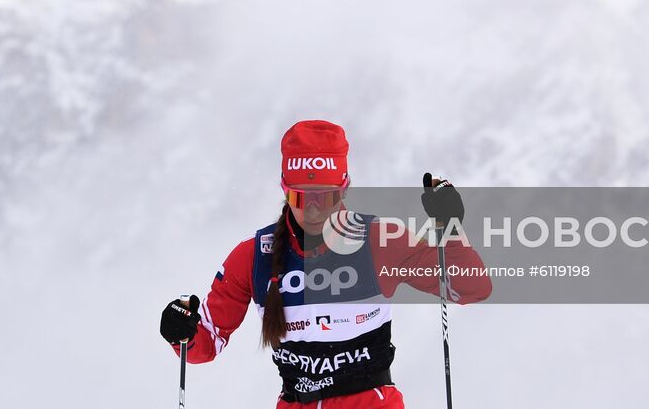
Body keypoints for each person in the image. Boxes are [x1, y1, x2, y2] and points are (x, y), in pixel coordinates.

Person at [158, 120, 491, 407]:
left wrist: (451, 226)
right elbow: (204, 344)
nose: (315, 210)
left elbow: (471, 287)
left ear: (343, 191)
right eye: (302, 197)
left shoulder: (378, 241)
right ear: (285, 192)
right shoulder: (254, 256)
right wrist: (180, 330)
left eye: (326, 197)